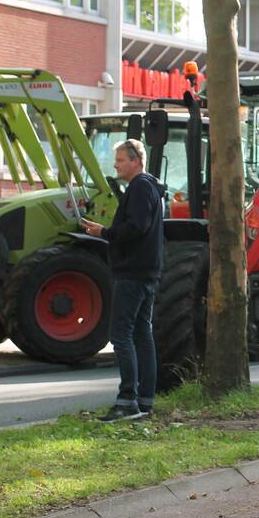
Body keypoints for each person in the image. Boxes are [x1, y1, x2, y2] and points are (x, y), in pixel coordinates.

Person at [80, 139, 164, 422]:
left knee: (121, 336)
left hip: (132, 272)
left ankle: (127, 400)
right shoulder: (152, 187)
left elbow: (135, 228)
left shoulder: (140, 187)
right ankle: (145, 400)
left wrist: (104, 233)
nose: (115, 164)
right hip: (147, 271)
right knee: (142, 334)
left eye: (119, 160)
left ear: (136, 161)